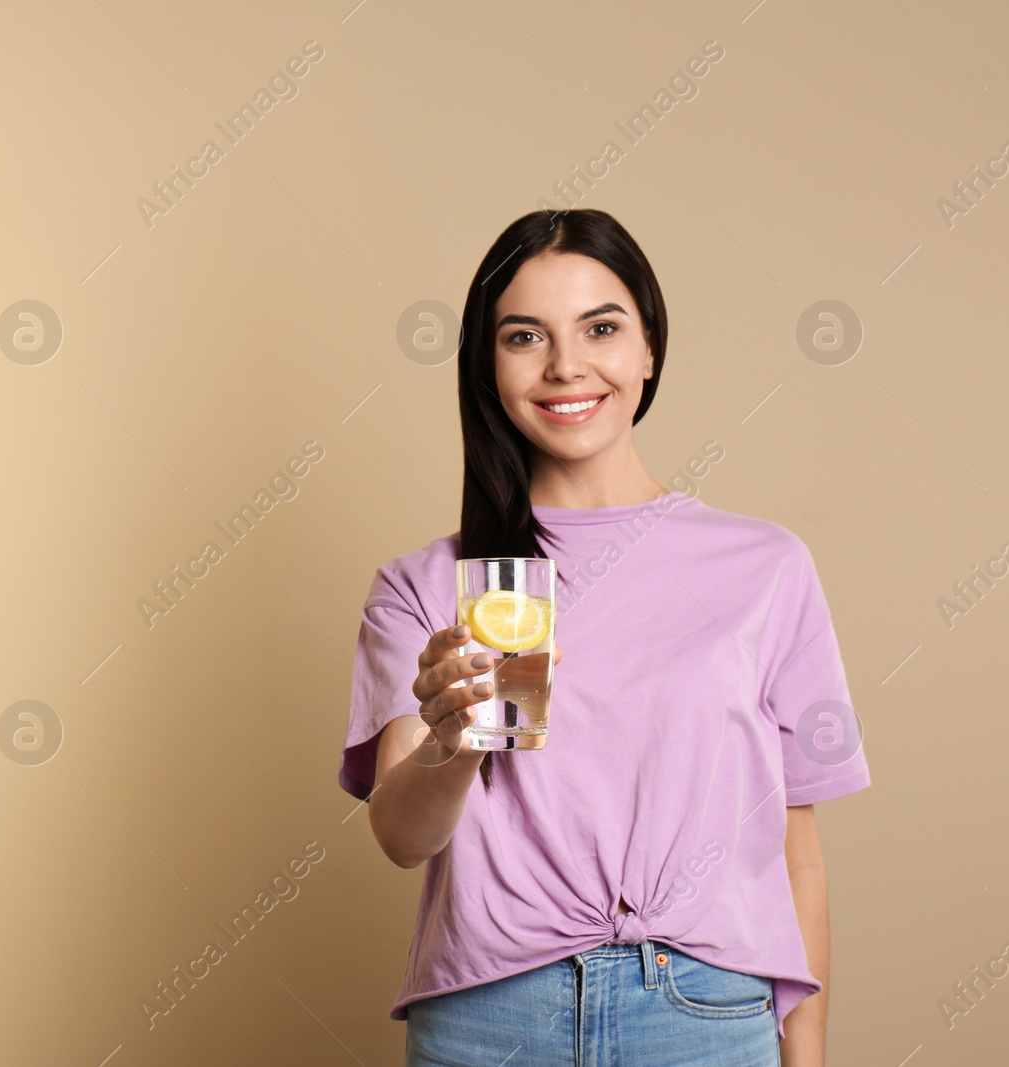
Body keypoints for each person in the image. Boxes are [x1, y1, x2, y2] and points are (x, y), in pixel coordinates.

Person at [339, 208, 870, 1067]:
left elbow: (796, 856)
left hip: (704, 1014)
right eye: (524, 336)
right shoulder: (427, 587)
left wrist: (805, 1055)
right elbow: (404, 839)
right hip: (490, 1019)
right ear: (486, 363)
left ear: (649, 347)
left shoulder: (766, 566)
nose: (566, 365)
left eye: (601, 327)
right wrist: (455, 741)